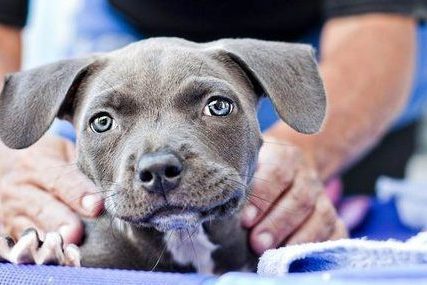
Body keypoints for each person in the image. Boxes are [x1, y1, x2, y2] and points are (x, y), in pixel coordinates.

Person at [0, 0, 425, 255]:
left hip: (324, 65)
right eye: (105, 121)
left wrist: (307, 154)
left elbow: (375, 26)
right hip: (120, 36)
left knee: (317, 219)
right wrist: (11, 158)